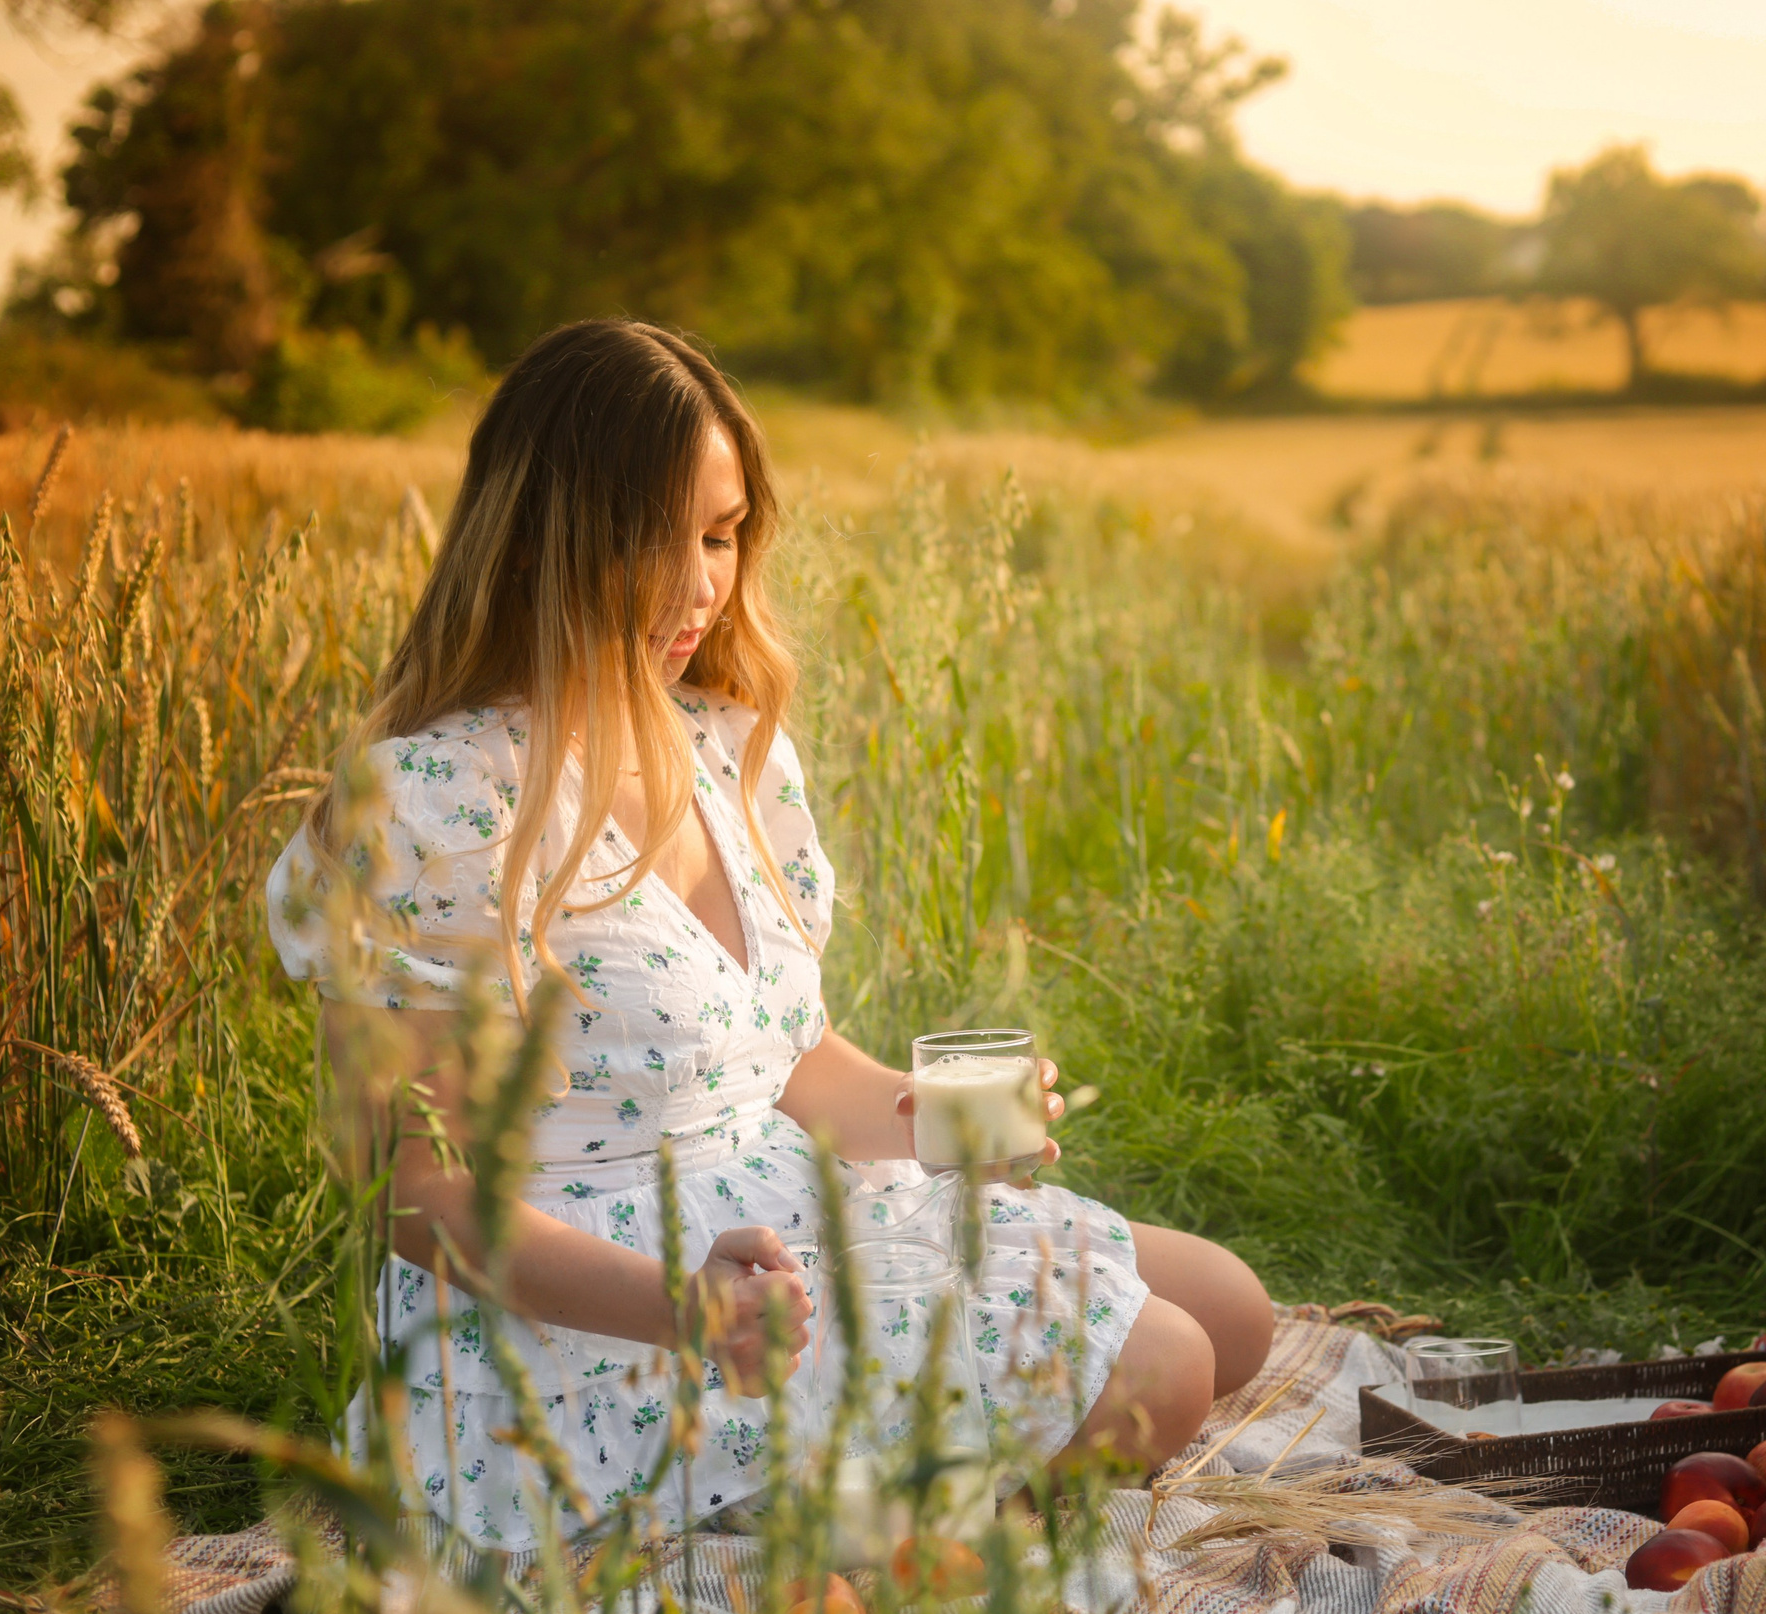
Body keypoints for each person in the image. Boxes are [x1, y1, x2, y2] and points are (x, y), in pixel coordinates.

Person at [267, 319, 1272, 1547]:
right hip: (590, 1303)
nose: (701, 586)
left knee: (1234, 1311)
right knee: (1166, 1366)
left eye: (720, 534)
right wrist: (678, 1308)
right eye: (653, 537)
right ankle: (879, 1544)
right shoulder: (430, 804)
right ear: (539, 537)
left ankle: (891, 1492)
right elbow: (411, 1193)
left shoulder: (725, 744)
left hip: (785, 1207)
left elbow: (789, 1062)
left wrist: (950, 1118)